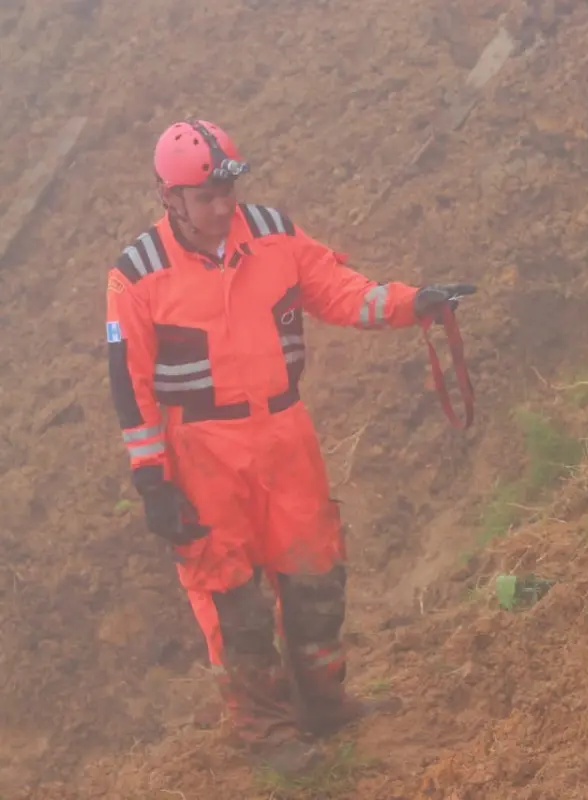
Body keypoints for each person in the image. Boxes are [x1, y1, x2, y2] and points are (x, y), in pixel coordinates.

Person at [104, 118, 475, 774]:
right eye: (208, 197)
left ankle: (325, 705)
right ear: (171, 199)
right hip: (203, 450)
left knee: (315, 575)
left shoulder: (273, 233)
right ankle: (268, 735)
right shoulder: (138, 275)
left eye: (230, 192)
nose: (225, 207)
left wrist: (417, 303)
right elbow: (129, 384)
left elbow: (341, 290)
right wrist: (151, 479)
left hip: (283, 432)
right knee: (232, 599)